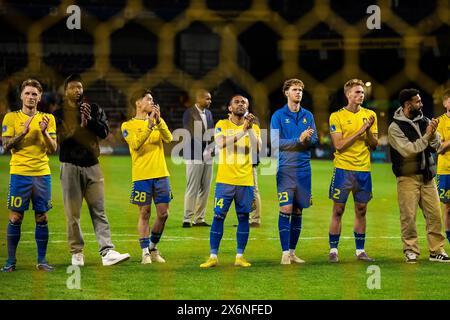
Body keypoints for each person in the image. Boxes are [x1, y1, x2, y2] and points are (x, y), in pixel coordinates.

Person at [54, 74, 130, 266]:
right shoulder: (59, 113)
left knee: (99, 210)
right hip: (70, 165)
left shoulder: (94, 109)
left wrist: (90, 120)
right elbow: (59, 140)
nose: (77, 90)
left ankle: (107, 252)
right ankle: (77, 252)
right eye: (73, 87)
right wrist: (79, 126)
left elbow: (104, 132)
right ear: (66, 91)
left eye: (80, 87)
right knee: (73, 213)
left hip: (93, 166)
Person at [1, 79, 57, 272]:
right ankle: (10, 261)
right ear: (21, 96)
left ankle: (41, 261)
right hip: (20, 174)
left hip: (42, 174)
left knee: (42, 217)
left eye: (35, 94)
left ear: (40, 97)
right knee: (16, 217)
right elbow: (6, 145)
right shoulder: (10, 118)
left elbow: (53, 148)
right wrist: (22, 133)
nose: (31, 97)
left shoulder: (48, 118)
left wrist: (44, 132)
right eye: (28, 93)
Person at [388, 88, 449, 263]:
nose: (421, 104)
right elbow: (409, 150)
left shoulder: (426, 121)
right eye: (418, 102)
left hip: (428, 177)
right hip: (407, 178)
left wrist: (433, 134)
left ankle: (437, 250)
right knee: (409, 216)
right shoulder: (395, 127)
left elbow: (437, 146)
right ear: (408, 105)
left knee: (435, 215)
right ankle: (410, 250)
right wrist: (428, 134)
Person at [200, 95, 261, 268]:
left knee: (243, 218)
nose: (241, 104)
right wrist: (242, 130)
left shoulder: (254, 127)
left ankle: (240, 256)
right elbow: (220, 144)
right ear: (230, 108)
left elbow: (258, 149)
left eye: (244, 103)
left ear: (247, 108)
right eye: (237, 102)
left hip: (245, 181)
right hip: (225, 181)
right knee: (218, 217)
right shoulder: (222, 125)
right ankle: (213, 256)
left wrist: (248, 129)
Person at [328, 79, 378, 263]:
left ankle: (360, 251)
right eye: (357, 92)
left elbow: (374, 145)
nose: (360, 95)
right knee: (338, 210)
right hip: (343, 169)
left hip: (363, 169)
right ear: (348, 94)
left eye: (362, 92)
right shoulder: (336, 116)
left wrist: (369, 132)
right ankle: (333, 250)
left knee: (362, 209)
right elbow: (339, 145)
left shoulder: (370, 115)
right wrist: (361, 130)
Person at [270, 78, 318, 264]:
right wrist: (299, 140)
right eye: (294, 89)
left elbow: (314, 140)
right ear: (286, 93)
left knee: (298, 210)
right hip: (286, 170)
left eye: (300, 90)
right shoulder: (278, 116)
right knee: (286, 208)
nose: (298, 93)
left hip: (304, 170)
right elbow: (275, 143)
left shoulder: (308, 115)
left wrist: (307, 139)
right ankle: (284, 253)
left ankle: (292, 252)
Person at [121, 89, 172, 264]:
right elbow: (135, 144)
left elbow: (169, 138)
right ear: (138, 103)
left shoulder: (157, 121)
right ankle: (145, 253)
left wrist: (158, 122)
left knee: (163, 214)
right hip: (142, 176)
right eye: (149, 99)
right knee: (145, 212)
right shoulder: (127, 125)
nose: (152, 102)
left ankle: (153, 247)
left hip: (161, 174)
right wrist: (149, 126)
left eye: (153, 99)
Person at [182, 89, 214, 228]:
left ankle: (199, 218)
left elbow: (211, 132)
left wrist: (211, 148)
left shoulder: (209, 113)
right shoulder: (189, 113)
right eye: (207, 99)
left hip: (208, 155)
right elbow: (191, 132)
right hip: (194, 154)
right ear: (199, 99)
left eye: (210, 99)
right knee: (192, 188)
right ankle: (187, 219)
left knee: (205, 188)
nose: (209, 101)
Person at [437, 89, 450, 245]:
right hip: (446, 170)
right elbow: (439, 148)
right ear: (445, 103)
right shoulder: (439, 122)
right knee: (448, 208)